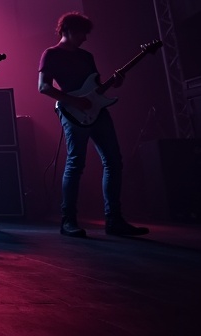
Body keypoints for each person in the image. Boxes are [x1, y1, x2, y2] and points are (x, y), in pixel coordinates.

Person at [38, 12, 149, 237]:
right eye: (81, 33)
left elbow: (96, 87)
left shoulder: (86, 56)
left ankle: (114, 220)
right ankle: (68, 221)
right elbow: (43, 87)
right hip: (72, 112)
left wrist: (115, 83)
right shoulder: (51, 54)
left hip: (97, 111)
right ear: (67, 30)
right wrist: (75, 101)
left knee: (114, 161)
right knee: (76, 163)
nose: (85, 39)